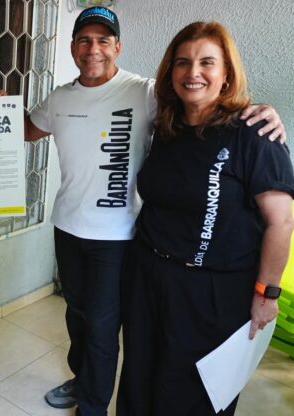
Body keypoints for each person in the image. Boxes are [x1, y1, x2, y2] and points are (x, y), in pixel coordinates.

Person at [12, 6, 286, 416]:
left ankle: (91, 405)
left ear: (118, 47)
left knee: (103, 326)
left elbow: (206, 101)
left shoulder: (146, 93)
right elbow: (25, 130)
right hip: (73, 228)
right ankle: (84, 379)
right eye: (84, 40)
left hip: (119, 237)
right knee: (80, 316)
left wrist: (262, 110)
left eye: (103, 40)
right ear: (71, 48)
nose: (93, 49)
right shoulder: (62, 98)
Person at [117, 21, 294, 416]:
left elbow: (281, 222)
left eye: (206, 62)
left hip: (215, 292)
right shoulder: (166, 127)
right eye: (182, 62)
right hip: (148, 277)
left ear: (226, 73)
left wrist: (267, 294)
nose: (192, 72)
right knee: (139, 380)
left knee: (193, 395)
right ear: (171, 72)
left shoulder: (254, 133)